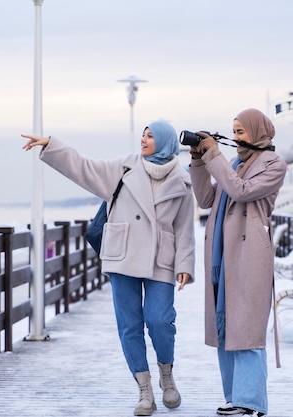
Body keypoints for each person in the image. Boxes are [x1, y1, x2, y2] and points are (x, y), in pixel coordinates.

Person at [21, 120, 195, 416]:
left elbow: (185, 227)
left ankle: (167, 375)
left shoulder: (182, 180)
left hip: (160, 258)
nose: (144, 139)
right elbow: (83, 167)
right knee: (129, 325)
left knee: (160, 320)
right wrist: (52, 145)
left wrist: (185, 265)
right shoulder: (124, 168)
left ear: (165, 142)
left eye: (151, 136)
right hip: (122, 255)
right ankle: (144, 389)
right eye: (143, 134)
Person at [188, 108, 286, 417]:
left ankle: (251, 403)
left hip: (249, 256)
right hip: (224, 257)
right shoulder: (232, 164)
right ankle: (234, 398)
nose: (235, 138)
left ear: (258, 132)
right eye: (234, 131)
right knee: (226, 328)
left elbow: (241, 192)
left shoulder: (274, 165)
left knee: (247, 329)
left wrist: (214, 155)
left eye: (241, 131)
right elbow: (206, 200)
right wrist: (198, 160)